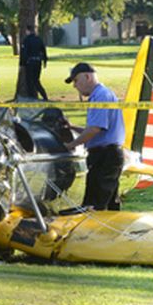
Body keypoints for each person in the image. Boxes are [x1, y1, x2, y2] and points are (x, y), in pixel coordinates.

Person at [63, 62, 125, 211]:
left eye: (76, 81)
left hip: (105, 156)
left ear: (87, 76)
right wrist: (72, 127)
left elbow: (94, 130)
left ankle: (101, 233)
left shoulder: (100, 96)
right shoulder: (102, 94)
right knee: (107, 204)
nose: (75, 86)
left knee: (95, 206)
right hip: (107, 153)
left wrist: (70, 145)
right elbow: (96, 130)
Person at [19, 24, 49, 100]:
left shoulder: (27, 40)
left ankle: (31, 96)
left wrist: (22, 64)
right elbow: (43, 50)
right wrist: (45, 61)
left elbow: (24, 53)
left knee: (29, 81)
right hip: (38, 62)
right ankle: (44, 95)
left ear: (28, 31)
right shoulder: (38, 39)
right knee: (36, 80)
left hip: (30, 63)